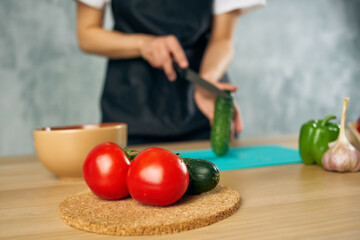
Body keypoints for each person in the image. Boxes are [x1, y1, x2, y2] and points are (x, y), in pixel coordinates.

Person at [76, 0, 265, 145]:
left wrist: (208, 79)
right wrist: (143, 44)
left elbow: (222, 39)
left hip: (201, 116)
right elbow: (87, 34)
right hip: (130, 111)